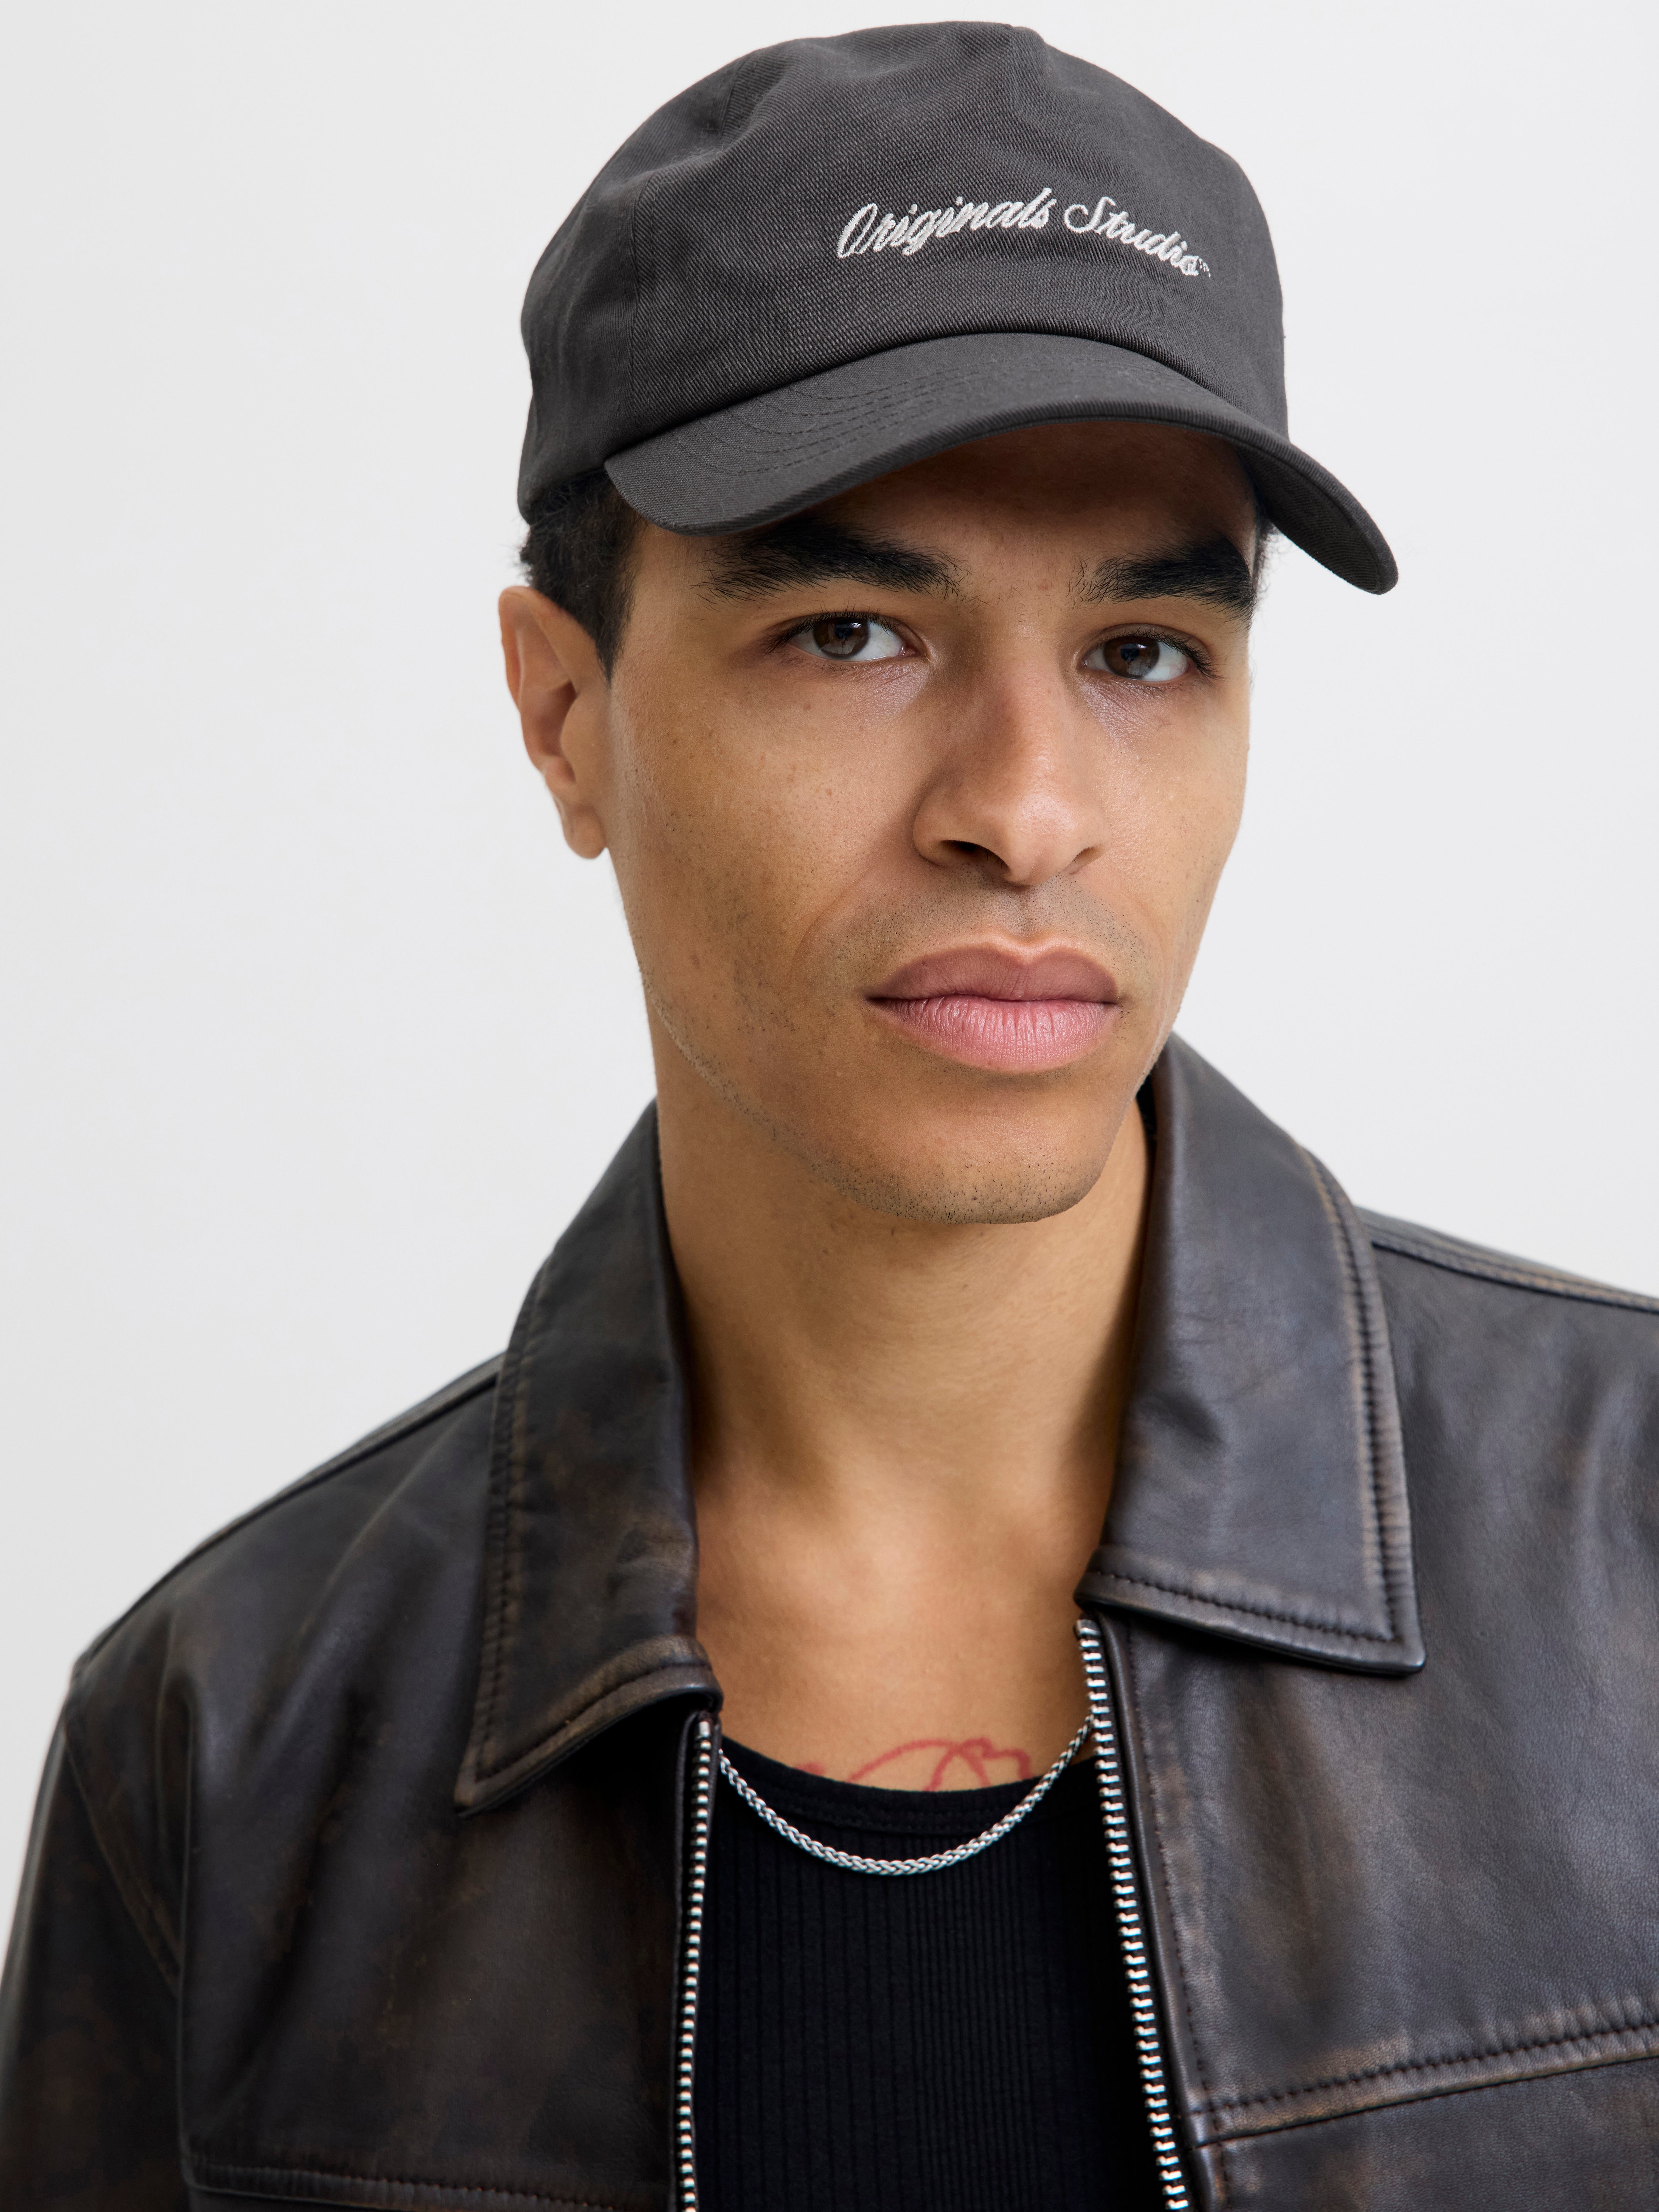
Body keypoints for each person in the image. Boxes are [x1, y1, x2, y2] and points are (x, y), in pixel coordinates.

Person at [4, 21, 1658, 2211]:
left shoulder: (1628, 1549)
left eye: (1143, 652)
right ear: (564, 714)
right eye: (854, 631)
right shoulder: (223, 1742)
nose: (1025, 812)